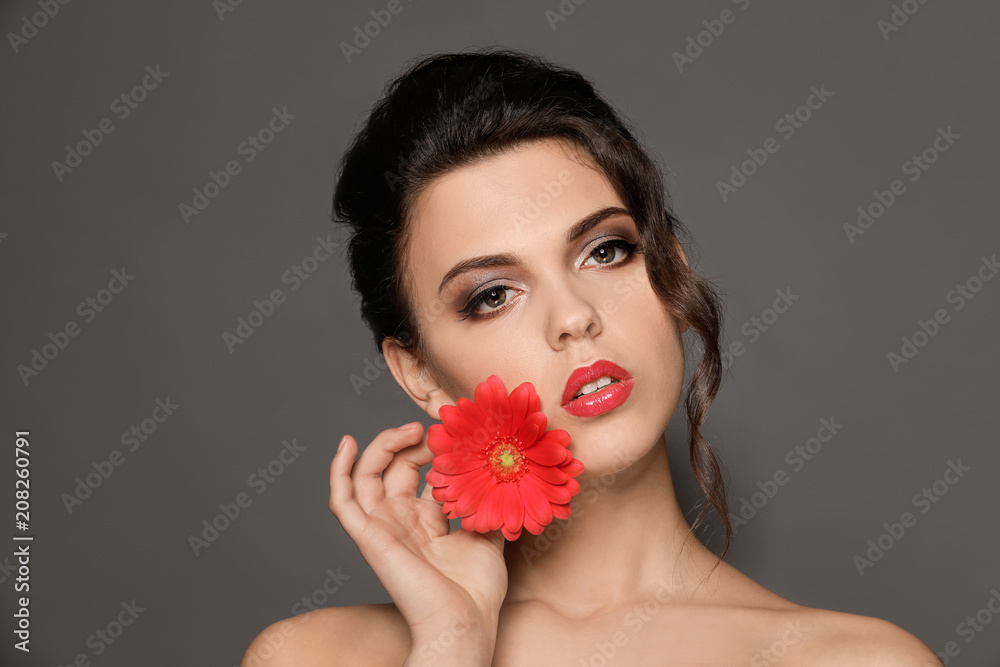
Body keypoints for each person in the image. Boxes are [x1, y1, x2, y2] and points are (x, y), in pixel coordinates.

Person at [242, 47, 942, 666]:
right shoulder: (311, 656)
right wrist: (453, 644)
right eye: (492, 295)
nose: (574, 316)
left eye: (606, 250)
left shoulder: (861, 660)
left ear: (669, 271)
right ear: (418, 372)